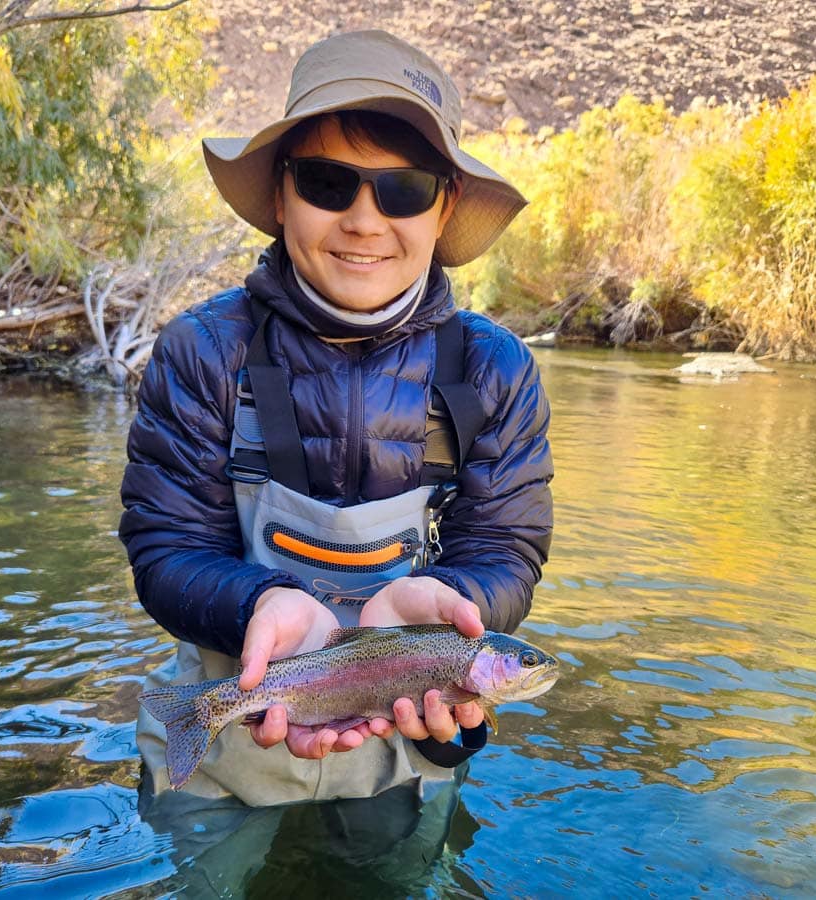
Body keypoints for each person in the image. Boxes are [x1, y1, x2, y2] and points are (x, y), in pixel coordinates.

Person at [120, 30, 553, 809]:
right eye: (328, 182)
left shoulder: (494, 371)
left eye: (405, 189)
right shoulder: (202, 352)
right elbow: (165, 549)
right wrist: (258, 605)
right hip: (232, 740)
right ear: (281, 195)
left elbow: (505, 549)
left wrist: (459, 603)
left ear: (444, 206)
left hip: (403, 742)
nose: (363, 219)